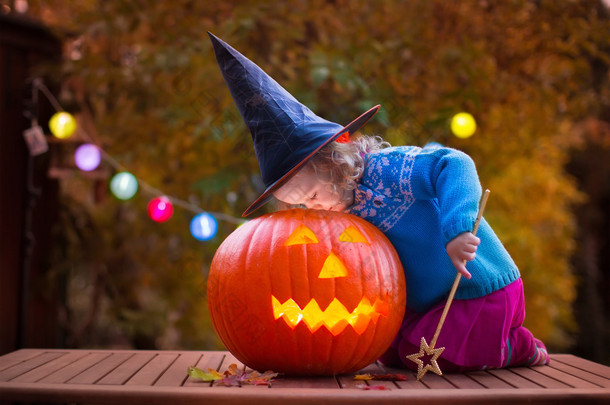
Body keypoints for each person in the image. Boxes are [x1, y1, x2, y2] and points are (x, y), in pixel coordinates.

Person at [208, 32, 549, 371]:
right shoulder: (344, 214)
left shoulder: (387, 169)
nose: (314, 210)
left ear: (331, 163)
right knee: (398, 355)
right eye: (301, 206)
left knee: (446, 352)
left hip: (475, 287)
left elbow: (454, 164)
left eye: (312, 196)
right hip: (427, 305)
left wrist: (457, 230)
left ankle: (516, 346)